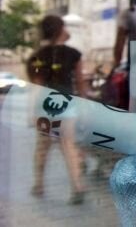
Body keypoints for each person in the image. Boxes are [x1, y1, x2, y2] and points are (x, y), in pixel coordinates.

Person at [26, 15, 87, 205]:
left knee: (43, 147)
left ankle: (39, 185)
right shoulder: (74, 54)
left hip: (44, 106)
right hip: (66, 105)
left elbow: (37, 85)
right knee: (68, 145)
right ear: (61, 29)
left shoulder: (37, 56)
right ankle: (77, 186)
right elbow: (80, 84)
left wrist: (31, 112)